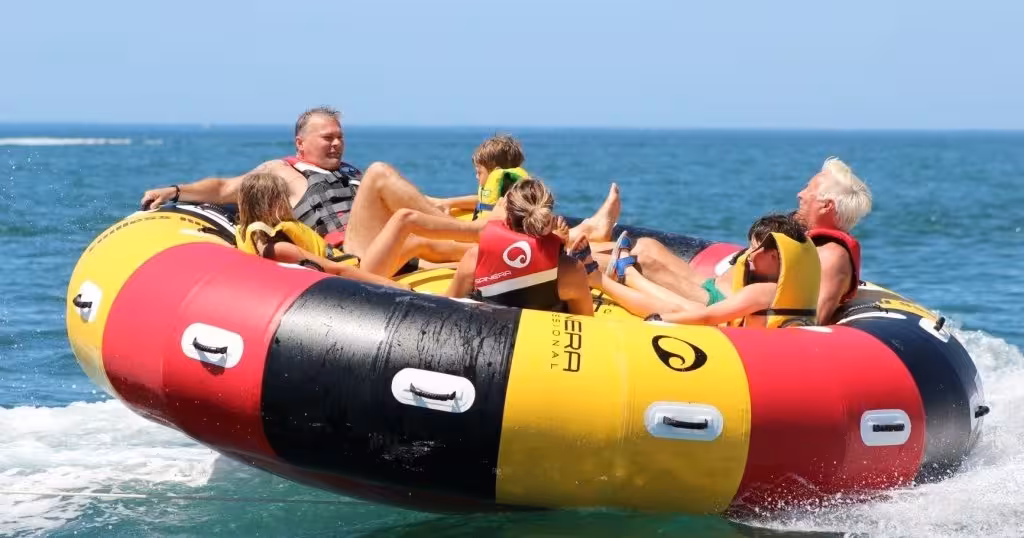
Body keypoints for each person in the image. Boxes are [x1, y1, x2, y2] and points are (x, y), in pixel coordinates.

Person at [140, 108, 621, 268]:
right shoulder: (281, 171)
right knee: (380, 173)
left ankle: (580, 245)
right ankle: (506, 227)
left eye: (339, 135)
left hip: (393, 248)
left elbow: (427, 205)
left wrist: (464, 202)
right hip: (349, 255)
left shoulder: (350, 173)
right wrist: (178, 189)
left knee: (437, 232)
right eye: (326, 136)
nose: (336, 141)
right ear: (300, 141)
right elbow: (225, 186)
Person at [622, 157, 871, 325]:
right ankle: (595, 232)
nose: (800, 194)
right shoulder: (808, 242)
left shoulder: (831, 256)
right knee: (647, 245)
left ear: (826, 206)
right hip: (715, 289)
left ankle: (593, 264)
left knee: (643, 259)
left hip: (722, 305)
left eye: (809, 189)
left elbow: (811, 317)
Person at [577, 213, 820, 327]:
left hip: (720, 331)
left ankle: (596, 274)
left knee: (689, 308)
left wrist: (659, 320)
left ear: (775, 255)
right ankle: (608, 263)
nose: (748, 257)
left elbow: (707, 316)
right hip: (717, 308)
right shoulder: (783, 288)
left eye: (754, 250)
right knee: (650, 247)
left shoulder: (763, 292)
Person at [444, 179, 595, 316]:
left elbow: (446, 309)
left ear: (507, 218)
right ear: (547, 219)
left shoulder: (475, 258)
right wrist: (560, 250)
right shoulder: (570, 270)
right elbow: (586, 324)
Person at [234, 171, 409, 290]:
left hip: (352, 265)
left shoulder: (248, 235)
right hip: (356, 274)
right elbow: (339, 270)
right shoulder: (278, 248)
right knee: (407, 225)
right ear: (274, 203)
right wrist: (394, 287)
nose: (289, 203)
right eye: (285, 198)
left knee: (416, 242)